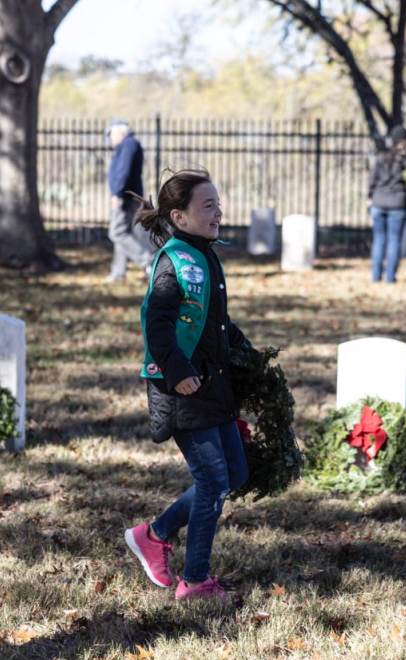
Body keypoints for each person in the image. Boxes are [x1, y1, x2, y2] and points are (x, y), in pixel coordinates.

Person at [125, 169, 251, 602]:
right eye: (208, 206)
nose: (219, 212)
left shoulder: (204, 254)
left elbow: (217, 321)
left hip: (211, 385)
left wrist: (250, 355)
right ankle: (195, 581)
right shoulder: (175, 260)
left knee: (234, 472)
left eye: (218, 203)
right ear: (179, 217)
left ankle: (154, 534)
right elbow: (155, 324)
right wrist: (178, 373)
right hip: (182, 388)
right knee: (213, 480)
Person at [106, 119, 151, 281]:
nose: (109, 139)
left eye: (110, 134)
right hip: (127, 195)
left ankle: (147, 261)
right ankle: (118, 272)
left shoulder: (128, 144)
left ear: (119, 131)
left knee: (116, 233)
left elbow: (123, 171)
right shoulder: (127, 145)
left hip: (125, 197)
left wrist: (117, 193)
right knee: (123, 233)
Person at [367, 125, 406, 283]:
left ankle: (375, 275)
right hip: (398, 203)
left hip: (378, 202)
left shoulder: (381, 157)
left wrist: (370, 197)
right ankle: (390, 276)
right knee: (394, 240)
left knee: (379, 239)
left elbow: (372, 180)